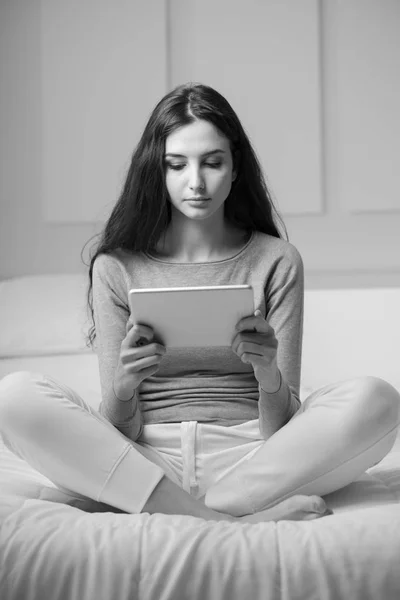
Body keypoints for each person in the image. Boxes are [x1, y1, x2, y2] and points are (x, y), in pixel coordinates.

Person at [1, 83, 399, 525]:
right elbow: (119, 431)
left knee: (377, 399)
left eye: (213, 162)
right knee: (12, 395)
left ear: (235, 170)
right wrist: (124, 384)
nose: (196, 182)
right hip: (145, 459)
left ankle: (172, 507)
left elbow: (281, 431)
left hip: (253, 460)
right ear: (158, 171)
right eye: (176, 165)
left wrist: (268, 374)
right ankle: (224, 519)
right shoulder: (116, 266)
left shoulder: (276, 260)